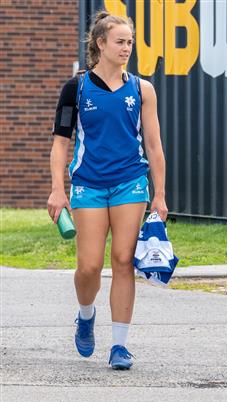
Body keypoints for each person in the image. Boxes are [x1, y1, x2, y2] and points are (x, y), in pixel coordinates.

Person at [47, 11, 167, 370]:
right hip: (89, 185)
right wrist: (57, 189)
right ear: (100, 44)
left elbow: (155, 145)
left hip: (131, 182)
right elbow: (59, 144)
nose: (127, 48)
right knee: (89, 267)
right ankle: (86, 315)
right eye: (120, 41)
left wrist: (159, 195)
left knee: (122, 261)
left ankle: (119, 345)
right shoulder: (76, 88)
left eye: (130, 42)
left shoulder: (143, 89)